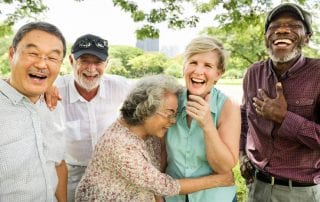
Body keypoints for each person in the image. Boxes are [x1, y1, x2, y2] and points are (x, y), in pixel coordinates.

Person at [74, 74, 234, 202]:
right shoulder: (120, 145)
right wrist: (219, 180)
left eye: (175, 114)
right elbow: (164, 185)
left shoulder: (149, 134)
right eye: (169, 113)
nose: (172, 121)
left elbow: (154, 179)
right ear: (146, 109)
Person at [240, 3, 320, 202]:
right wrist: (242, 154)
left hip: (301, 193)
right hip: (257, 187)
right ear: (266, 37)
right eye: (274, 26)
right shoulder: (253, 73)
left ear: (307, 38)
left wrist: (284, 118)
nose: (282, 30)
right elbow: (243, 120)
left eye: (293, 26)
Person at [48, 34, 131, 201]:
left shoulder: (119, 86)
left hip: (110, 170)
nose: (91, 69)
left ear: (106, 64)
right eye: (84, 60)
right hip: (71, 172)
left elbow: (154, 92)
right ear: (71, 61)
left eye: (98, 62)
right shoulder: (55, 88)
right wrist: (45, 87)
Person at [165, 36, 241, 202]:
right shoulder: (169, 101)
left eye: (208, 65)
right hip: (173, 198)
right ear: (184, 67)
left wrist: (207, 125)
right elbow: (159, 156)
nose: (198, 71)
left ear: (218, 74)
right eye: (193, 62)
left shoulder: (229, 107)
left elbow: (223, 167)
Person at [0, 22, 67, 201]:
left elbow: (58, 163)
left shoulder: (53, 105)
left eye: (52, 58)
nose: (41, 64)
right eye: (33, 53)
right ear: (12, 54)